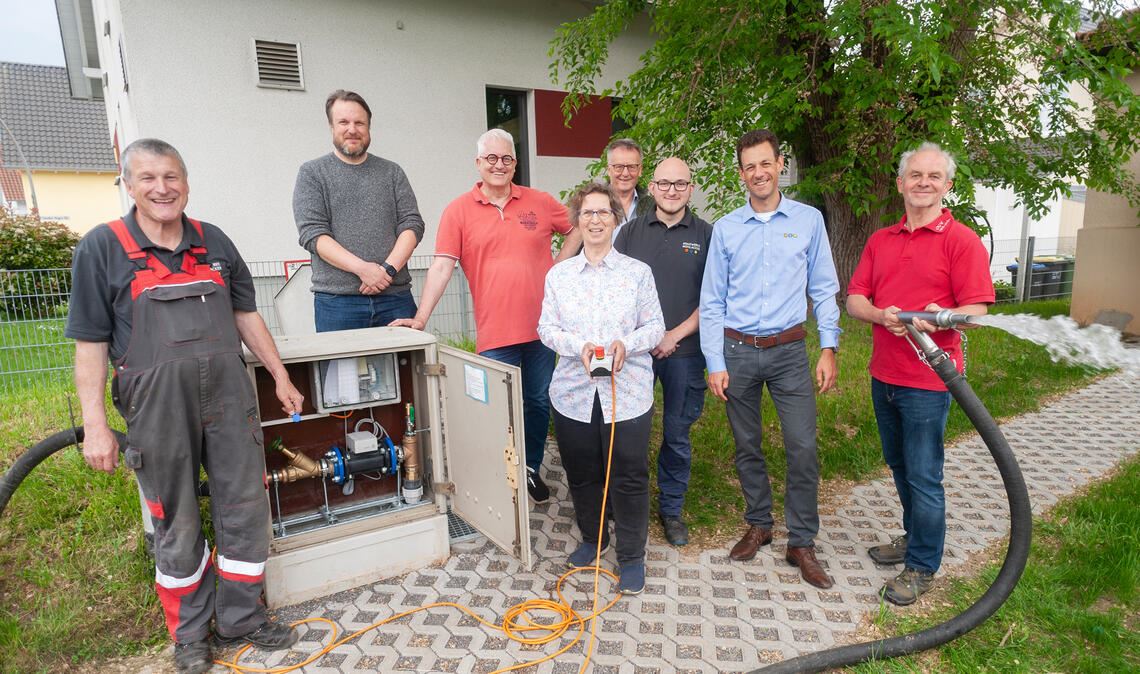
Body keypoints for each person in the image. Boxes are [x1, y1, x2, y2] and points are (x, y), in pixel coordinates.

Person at [66, 139, 304, 674]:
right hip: (155, 409)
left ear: (187, 182)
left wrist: (280, 376)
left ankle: (242, 617)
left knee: (245, 505)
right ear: (129, 185)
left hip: (228, 395)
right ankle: (191, 634)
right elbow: (89, 345)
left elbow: (246, 315)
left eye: (171, 176)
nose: (161, 188)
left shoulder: (212, 241)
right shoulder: (102, 248)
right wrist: (96, 426)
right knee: (175, 518)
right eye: (148, 178)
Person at [390, 129, 581, 503]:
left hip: (544, 329)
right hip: (495, 334)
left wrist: (559, 267)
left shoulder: (540, 202)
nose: (499, 165)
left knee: (538, 401)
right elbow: (443, 266)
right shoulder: (458, 210)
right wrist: (421, 317)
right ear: (478, 163)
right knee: (494, 408)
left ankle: (529, 468)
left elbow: (575, 230)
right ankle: (498, 474)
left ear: (515, 163)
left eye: (506, 158)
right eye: (491, 159)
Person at [846, 142, 994, 606]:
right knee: (900, 465)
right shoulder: (881, 240)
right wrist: (880, 315)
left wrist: (944, 314)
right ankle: (914, 539)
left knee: (924, 474)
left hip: (928, 381)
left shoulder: (961, 241)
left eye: (933, 176)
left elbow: (977, 311)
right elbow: (854, 300)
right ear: (900, 183)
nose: (923, 183)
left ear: (947, 185)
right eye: (915, 175)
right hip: (884, 374)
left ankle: (922, 566)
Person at [699, 128, 840, 589]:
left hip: (790, 352)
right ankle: (758, 523)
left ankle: (801, 541)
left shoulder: (809, 220)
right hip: (737, 352)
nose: (759, 172)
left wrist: (829, 348)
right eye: (749, 166)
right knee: (747, 445)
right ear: (741, 174)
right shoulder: (726, 228)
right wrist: (714, 361)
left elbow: (823, 288)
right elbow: (713, 300)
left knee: (802, 447)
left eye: (766, 163)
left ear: (781, 164)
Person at [538, 182, 665, 594]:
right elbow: (546, 328)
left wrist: (626, 344)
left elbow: (655, 327)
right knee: (583, 472)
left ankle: (631, 556)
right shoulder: (559, 276)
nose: (595, 220)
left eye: (603, 213)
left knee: (628, 474)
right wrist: (579, 347)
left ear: (616, 219)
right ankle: (594, 539)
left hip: (626, 394)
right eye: (587, 213)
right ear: (576, 221)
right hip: (573, 393)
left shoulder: (636, 273)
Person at [614, 157, 713, 546]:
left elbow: (715, 298)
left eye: (680, 184)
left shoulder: (707, 235)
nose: (672, 191)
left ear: (691, 189)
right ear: (651, 187)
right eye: (664, 184)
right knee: (628, 433)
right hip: (636, 352)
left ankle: (671, 509)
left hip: (685, 353)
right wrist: (643, 336)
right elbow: (615, 291)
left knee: (676, 435)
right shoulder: (629, 233)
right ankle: (626, 507)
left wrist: (674, 334)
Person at [293, 89, 425, 331]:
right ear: (331, 127)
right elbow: (313, 234)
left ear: (368, 127)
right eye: (343, 122)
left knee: (407, 369)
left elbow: (412, 224)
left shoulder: (392, 172)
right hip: (337, 303)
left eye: (359, 123)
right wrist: (363, 270)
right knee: (338, 370)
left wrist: (386, 271)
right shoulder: (312, 173)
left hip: (395, 298)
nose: (352, 129)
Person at [605, 138, 653, 240]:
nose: (625, 173)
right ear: (609, 170)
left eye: (632, 167)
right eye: (619, 167)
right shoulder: (591, 203)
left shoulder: (653, 207)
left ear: (640, 170)